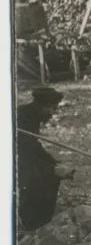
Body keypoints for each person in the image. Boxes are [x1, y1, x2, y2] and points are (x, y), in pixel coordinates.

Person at [17, 87, 75, 231]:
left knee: (52, 173)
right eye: (52, 108)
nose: (52, 114)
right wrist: (51, 169)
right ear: (41, 105)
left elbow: (33, 146)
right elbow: (22, 154)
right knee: (36, 176)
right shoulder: (20, 117)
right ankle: (28, 224)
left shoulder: (33, 117)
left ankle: (42, 223)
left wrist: (54, 163)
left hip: (23, 155)